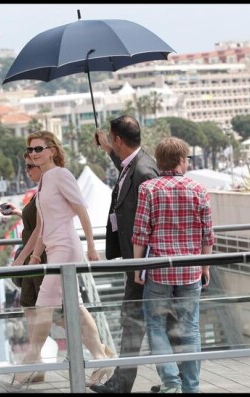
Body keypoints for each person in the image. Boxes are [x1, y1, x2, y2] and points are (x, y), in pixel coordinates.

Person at [10, 130, 113, 389]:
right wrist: (34, 255)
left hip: (66, 249)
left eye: (39, 149)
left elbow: (81, 211)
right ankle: (102, 358)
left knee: (44, 305)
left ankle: (31, 360)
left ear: (52, 150)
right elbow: (43, 224)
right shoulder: (45, 180)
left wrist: (91, 246)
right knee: (74, 307)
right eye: (31, 150)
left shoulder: (62, 175)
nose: (34, 154)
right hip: (53, 249)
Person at [133, 137, 214, 394]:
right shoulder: (199, 189)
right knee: (190, 329)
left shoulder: (148, 189)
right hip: (191, 270)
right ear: (181, 160)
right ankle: (192, 388)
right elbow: (208, 234)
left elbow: (140, 233)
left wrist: (138, 268)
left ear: (159, 161)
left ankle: (171, 383)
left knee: (156, 326)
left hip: (159, 270)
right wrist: (205, 267)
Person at [90, 115, 162, 394]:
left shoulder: (145, 171)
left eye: (112, 139)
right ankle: (128, 383)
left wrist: (142, 265)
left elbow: (156, 219)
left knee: (142, 319)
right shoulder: (135, 164)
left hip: (144, 264)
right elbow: (124, 169)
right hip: (137, 261)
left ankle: (170, 381)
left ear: (119, 139)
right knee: (135, 318)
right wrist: (107, 148)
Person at [0, 152, 48, 382]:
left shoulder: (47, 188)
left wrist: (24, 258)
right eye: (26, 166)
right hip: (33, 260)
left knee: (61, 313)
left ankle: (99, 351)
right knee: (31, 306)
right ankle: (36, 364)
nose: (28, 170)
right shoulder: (38, 190)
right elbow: (34, 225)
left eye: (31, 166)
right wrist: (19, 212)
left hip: (40, 259)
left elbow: (41, 229)